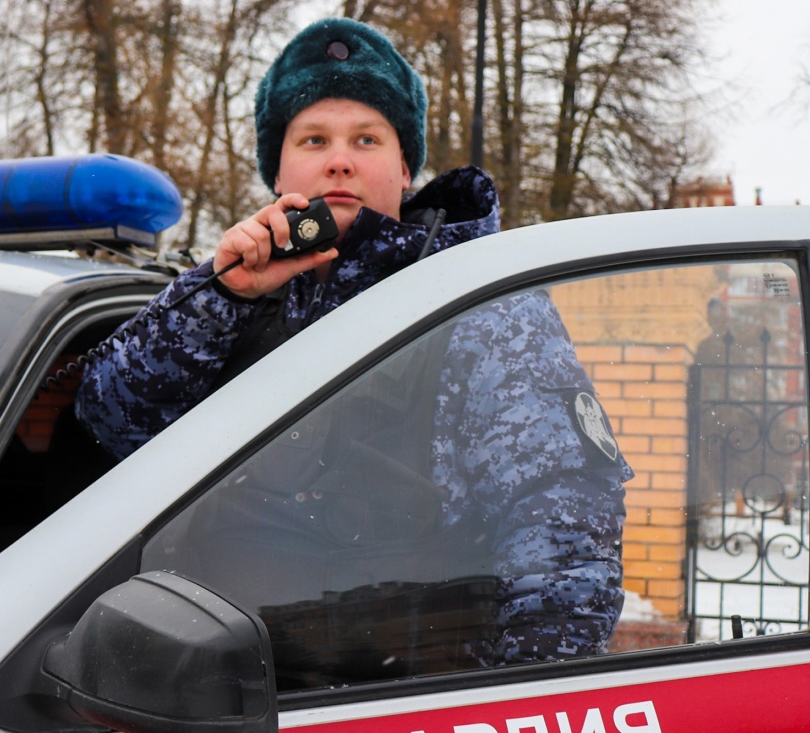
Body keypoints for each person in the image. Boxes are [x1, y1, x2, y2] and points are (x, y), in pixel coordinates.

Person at [75, 18, 630, 670]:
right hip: (191, 690)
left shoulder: (480, 307)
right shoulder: (232, 294)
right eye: (314, 139)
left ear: (404, 166)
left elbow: (565, 536)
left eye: (366, 138)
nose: (339, 159)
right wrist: (220, 295)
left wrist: (501, 703)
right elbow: (110, 421)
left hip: (382, 702)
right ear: (277, 169)